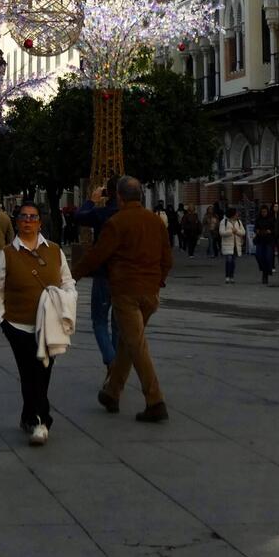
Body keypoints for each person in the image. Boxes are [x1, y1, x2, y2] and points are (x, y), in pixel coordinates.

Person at [75, 174, 173, 423]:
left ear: (119, 197)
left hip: (126, 292)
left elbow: (97, 255)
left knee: (136, 345)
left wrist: (72, 275)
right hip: (150, 292)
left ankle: (155, 400)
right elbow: (167, 259)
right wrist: (157, 281)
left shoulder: (117, 223)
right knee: (128, 343)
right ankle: (112, 392)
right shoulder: (156, 222)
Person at [0, 200, 76, 446]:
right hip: (18, 325)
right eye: (23, 217)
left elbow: (67, 281)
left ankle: (29, 415)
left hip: (50, 325)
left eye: (32, 217)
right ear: (16, 221)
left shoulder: (55, 250)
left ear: (40, 222)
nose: (28, 221)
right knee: (29, 373)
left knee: (44, 372)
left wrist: (68, 299)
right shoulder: (6, 255)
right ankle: (41, 421)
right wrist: (2, 318)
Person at [74, 181, 120, 372]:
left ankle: (112, 361)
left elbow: (79, 217)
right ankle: (116, 364)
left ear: (107, 193)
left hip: (103, 275)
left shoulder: (102, 214)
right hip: (124, 277)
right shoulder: (134, 215)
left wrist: (91, 200)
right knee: (118, 324)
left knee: (99, 321)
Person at [219, 207, 246, 283]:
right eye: (236, 213)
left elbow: (243, 232)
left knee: (233, 262)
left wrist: (236, 231)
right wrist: (230, 231)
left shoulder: (238, 222)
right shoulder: (223, 222)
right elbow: (221, 232)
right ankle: (227, 276)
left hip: (236, 245)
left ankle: (232, 276)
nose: (237, 214)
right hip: (227, 244)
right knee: (229, 260)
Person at [253, 204, 276, 285]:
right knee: (258, 255)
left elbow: (275, 229)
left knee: (268, 257)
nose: (264, 213)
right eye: (262, 212)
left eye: (265, 212)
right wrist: (257, 231)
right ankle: (263, 269)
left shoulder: (271, 219)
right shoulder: (258, 219)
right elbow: (255, 228)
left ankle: (265, 274)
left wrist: (270, 231)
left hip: (268, 240)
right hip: (260, 240)